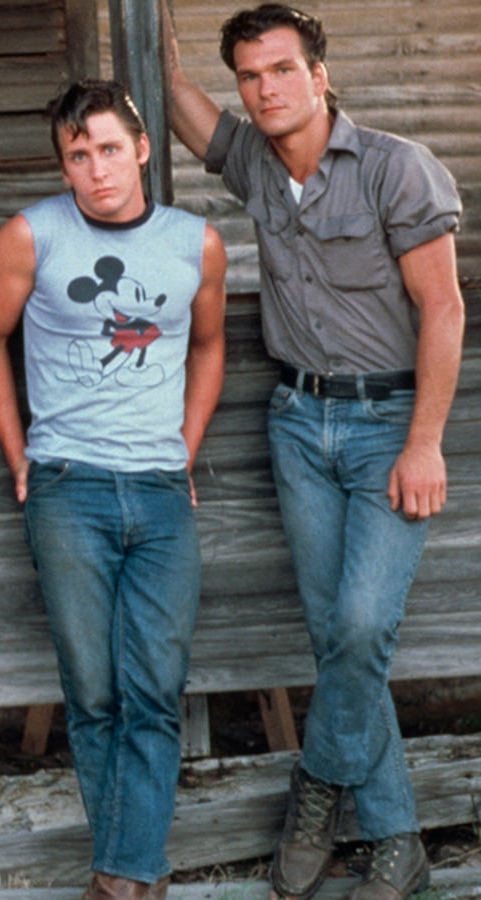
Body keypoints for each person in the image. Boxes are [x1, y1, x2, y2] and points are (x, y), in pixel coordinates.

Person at [160, 4, 465, 898]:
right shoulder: (254, 159)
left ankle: (320, 787)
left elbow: (443, 310)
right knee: (341, 641)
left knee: (362, 627)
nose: (266, 88)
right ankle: (399, 844)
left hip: (386, 427)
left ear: (320, 74)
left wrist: (424, 445)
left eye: (283, 70)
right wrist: (154, 25)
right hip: (297, 423)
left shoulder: (395, 169)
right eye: (251, 76)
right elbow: (179, 98)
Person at [0, 80, 227, 900]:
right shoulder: (30, 236)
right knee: (94, 692)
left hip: (159, 494)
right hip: (69, 487)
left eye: (109, 149)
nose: (95, 170)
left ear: (143, 149)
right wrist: (20, 453)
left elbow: (210, 347)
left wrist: (183, 450)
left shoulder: (196, 244)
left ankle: (122, 877)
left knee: (154, 690)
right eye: (77, 156)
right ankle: (134, 876)